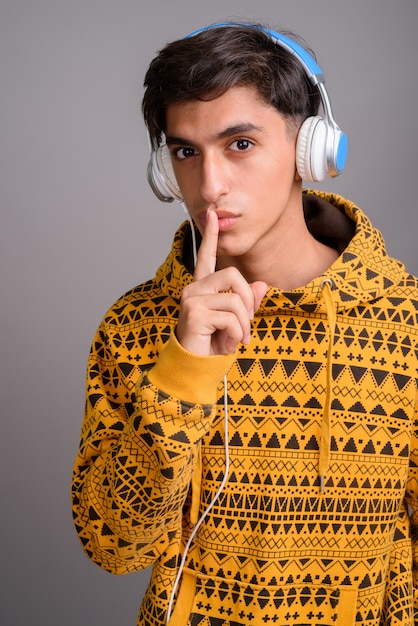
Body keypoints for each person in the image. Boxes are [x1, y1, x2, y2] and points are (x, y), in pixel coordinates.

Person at [71, 21, 418, 626]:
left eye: (240, 144)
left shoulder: (407, 320)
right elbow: (114, 545)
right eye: (186, 151)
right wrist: (183, 372)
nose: (209, 187)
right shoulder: (135, 325)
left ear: (309, 148)